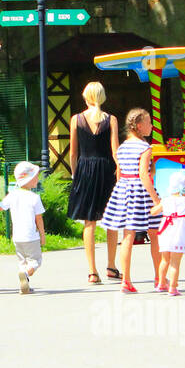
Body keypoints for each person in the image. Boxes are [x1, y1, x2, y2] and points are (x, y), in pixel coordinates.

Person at [100, 108, 161, 294]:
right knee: (155, 234)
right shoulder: (145, 148)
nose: (151, 126)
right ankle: (159, 277)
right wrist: (156, 200)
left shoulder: (123, 147)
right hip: (141, 192)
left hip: (124, 189)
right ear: (140, 126)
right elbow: (144, 175)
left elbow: (119, 171)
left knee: (128, 235)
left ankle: (125, 279)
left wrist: (120, 191)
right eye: (149, 122)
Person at [66, 81, 119, 284]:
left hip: (86, 170)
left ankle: (92, 271)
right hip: (106, 169)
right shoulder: (111, 120)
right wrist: (119, 172)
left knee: (89, 221)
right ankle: (112, 266)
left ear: (86, 97)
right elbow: (115, 151)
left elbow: (73, 152)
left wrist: (75, 173)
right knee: (111, 220)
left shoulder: (76, 119)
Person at [1, 161, 47, 294]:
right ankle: (26, 274)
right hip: (31, 236)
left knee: (22, 261)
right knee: (36, 261)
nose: (37, 179)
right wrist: (42, 235)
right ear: (29, 179)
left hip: (17, 238)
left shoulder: (12, 195)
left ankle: (24, 284)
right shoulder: (34, 197)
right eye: (35, 177)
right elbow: (39, 219)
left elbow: (0, 206)